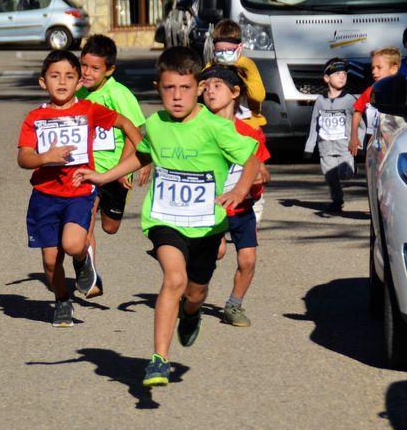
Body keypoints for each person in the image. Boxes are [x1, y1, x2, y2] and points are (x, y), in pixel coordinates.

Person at [74, 46, 259, 387]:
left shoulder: (215, 126)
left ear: (199, 88)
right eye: (169, 88)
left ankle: (191, 314)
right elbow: (142, 155)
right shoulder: (156, 124)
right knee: (174, 279)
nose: (176, 96)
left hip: (206, 224)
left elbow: (251, 159)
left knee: (196, 292)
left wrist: (240, 191)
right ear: (158, 87)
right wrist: (103, 176)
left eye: (185, 88)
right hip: (165, 219)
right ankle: (159, 359)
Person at [18, 50, 142, 327]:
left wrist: (140, 155)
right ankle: (62, 299)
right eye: (55, 76)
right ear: (43, 82)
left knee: (73, 243)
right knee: (50, 262)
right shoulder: (35, 117)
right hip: (45, 196)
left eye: (69, 76)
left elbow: (125, 123)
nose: (62, 81)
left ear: (78, 83)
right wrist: (44, 158)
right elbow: (23, 158)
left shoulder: (88, 110)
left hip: (79, 192)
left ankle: (82, 260)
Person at [75, 34, 146, 298]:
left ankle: (88, 268)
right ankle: (90, 276)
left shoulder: (119, 94)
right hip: (88, 171)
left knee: (110, 227)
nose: (87, 72)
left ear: (109, 70)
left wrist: (124, 168)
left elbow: (135, 131)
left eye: (95, 68)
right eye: (84, 65)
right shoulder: (78, 92)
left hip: (116, 171)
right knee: (86, 226)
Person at [201, 64, 271, 328]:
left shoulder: (249, 133)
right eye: (205, 87)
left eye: (217, 86)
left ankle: (234, 305)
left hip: (241, 208)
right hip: (209, 207)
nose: (210, 92)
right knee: (216, 252)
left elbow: (264, 171)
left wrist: (258, 177)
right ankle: (191, 292)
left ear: (234, 92)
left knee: (248, 259)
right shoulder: (197, 128)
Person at [304, 58, 357, 213]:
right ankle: (337, 200)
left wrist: (358, 140)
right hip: (325, 147)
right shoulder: (320, 101)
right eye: (337, 74)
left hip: (345, 147)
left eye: (344, 74)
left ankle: (353, 168)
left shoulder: (349, 100)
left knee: (344, 174)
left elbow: (359, 122)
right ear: (327, 78)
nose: (342, 77)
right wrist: (309, 147)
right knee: (330, 177)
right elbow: (314, 124)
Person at [209, 19, 267, 129]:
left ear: (239, 48)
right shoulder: (211, 67)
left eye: (229, 50)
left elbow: (259, 96)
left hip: (247, 124)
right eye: (219, 51)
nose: (224, 55)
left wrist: (239, 66)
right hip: (221, 124)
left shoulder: (247, 66)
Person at [349, 47, 402, 156]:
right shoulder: (370, 91)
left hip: (396, 146)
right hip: (374, 147)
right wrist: (354, 136)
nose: (374, 71)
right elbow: (357, 111)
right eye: (372, 68)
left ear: (393, 68)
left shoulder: (401, 91)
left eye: (379, 67)